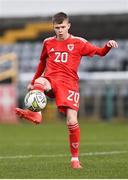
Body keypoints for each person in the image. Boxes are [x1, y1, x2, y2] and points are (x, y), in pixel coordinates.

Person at [15, 12, 118, 169]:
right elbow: (42, 63)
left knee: (72, 121)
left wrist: (108, 46)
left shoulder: (78, 42)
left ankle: (75, 159)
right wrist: (32, 82)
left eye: (63, 27)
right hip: (51, 80)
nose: (60, 30)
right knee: (40, 81)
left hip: (69, 84)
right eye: (57, 27)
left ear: (68, 26)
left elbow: (100, 52)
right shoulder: (48, 42)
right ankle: (36, 113)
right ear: (53, 27)